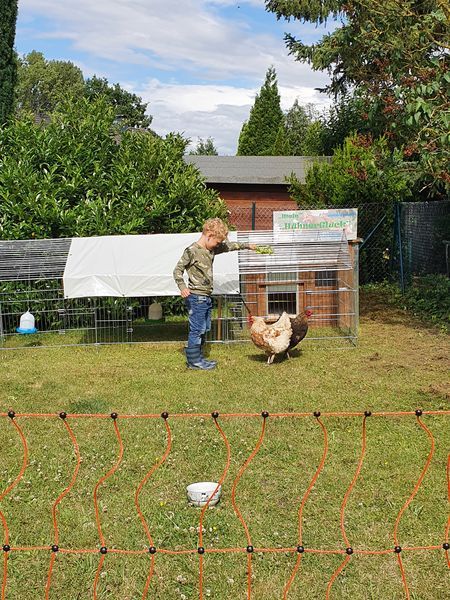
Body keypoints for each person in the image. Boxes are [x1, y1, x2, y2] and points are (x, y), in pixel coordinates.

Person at [173, 218, 256, 370]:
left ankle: (198, 358)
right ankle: (193, 362)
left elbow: (229, 246)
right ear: (209, 235)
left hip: (205, 297)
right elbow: (177, 270)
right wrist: (182, 287)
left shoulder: (211, 249)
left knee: (204, 328)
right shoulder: (191, 251)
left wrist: (247, 246)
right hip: (196, 297)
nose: (218, 245)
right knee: (197, 330)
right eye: (217, 242)